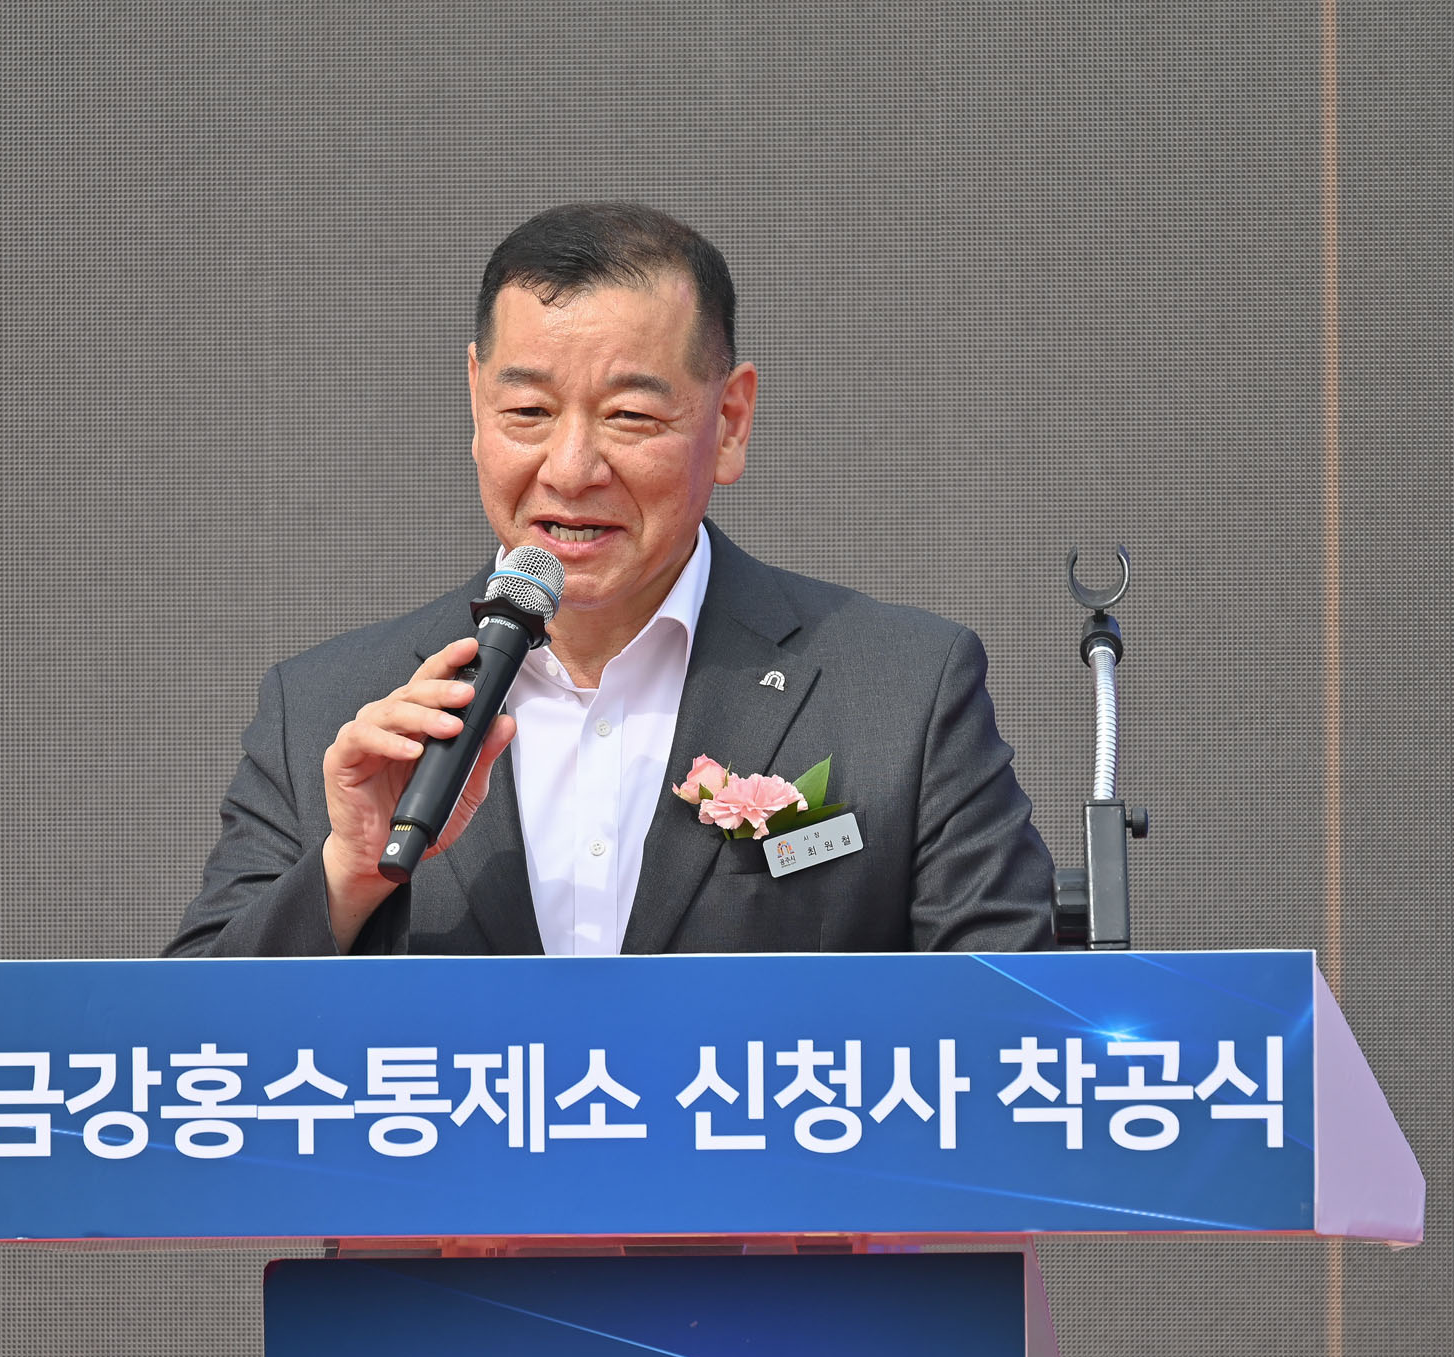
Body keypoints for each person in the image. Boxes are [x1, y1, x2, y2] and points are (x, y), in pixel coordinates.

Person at [168, 202, 1053, 958]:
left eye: (629, 415)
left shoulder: (902, 692)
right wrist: (348, 873)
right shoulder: (327, 710)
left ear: (730, 421)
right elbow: (188, 1047)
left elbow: (1013, 1019)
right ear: (475, 404)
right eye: (528, 411)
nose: (571, 468)